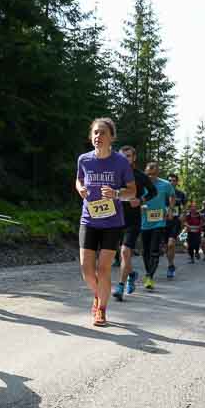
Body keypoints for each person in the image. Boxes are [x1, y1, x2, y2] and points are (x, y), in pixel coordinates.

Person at [76, 118, 136, 326]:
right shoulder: (84, 159)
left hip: (112, 223)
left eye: (102, 133)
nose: (98, 136)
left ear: (112, 137)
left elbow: (132, 191)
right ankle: (98, 293)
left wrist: (116, 193)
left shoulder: (120, 162)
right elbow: (79, 179)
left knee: (103, 270)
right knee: (86, 269)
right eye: (95, 132)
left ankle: (101, 309)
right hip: (89, 219)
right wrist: (80, 189)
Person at [113, 145, 157, 301]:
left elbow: (153, 192)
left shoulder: (140, 176)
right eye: (122, 156)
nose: (125, 159)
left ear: (134, 158)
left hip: (133, 220)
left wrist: (140, 200)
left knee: (125, 252)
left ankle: (120, 286)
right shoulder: (114, 174)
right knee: (121, 253)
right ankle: (131, 274)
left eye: (129, 156)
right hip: (115, 219)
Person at [140, 162, 175, 290]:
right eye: (149, 174)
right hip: (144, 221)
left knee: (154, 249)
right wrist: (139, 206)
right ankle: (148, 272)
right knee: (145, 251)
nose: (151, 176)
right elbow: (133, 196)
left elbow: (172, 196)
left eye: (153, 174)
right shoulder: (140, 184)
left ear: (158, 173)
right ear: (145, 172)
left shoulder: (165, 184)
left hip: (159, 221)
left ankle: (149, 276)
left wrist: (170, 209)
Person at [165, 174, 186, 278]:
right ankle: (170, 262)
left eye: (174, 180)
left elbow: (184, 207)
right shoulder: (162, 192)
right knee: (166, 246)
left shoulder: (181, 194)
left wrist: (183, 215)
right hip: (163, 221)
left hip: (175, 221)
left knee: (171, 244)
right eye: (169, 180)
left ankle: (170, 265)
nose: (171, 182)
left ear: (177, 182)